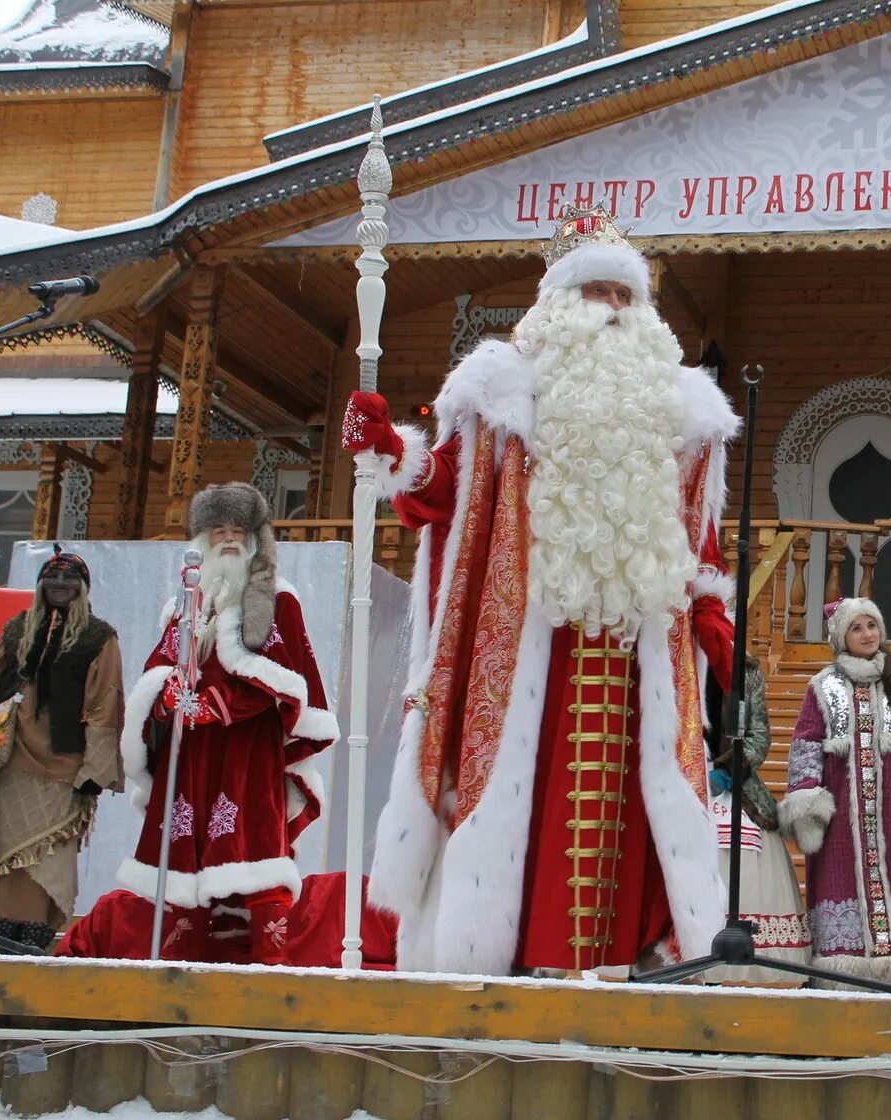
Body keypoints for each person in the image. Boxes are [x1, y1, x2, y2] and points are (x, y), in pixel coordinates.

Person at [346, 204, 737, 975]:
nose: (615, 311)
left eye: (626, 297)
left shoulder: (680, 414)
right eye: (598, 293)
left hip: (639, 649)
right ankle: (523, 958)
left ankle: (628, 958)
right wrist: (392, 449)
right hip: (531, 641)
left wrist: (712, 615)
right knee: (524, 795)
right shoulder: (502, 393)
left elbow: (699, 540)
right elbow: (440, 492)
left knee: (638, 801)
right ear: (560, 302)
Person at [119, 483, 335, 964]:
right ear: (203, 538)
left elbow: (290, 679)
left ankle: (268, 968)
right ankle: (180, 966)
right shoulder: (183, 604)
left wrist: (218, 703)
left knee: (255, 850)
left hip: (248, 750)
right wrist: (165, 696)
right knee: (182, 853)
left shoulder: (280, 599)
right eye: (220, 530)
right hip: (191, 751)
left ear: (256, 538)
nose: (230, 539)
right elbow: (159, 667)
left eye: (240, 530)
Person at [781, 598, 891, 992]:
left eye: (872, 625)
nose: (868, 634)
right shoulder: (823, 686)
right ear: (841, 638)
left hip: (888, 809)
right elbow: (805, 744)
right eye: (857, 628)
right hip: (839, 810)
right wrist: (807, 797)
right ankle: (843, 974)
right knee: (838, 879)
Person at [0, 548, 123, 949]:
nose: (60, 586)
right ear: (40, 584)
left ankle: (33, 934)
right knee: (4, 847)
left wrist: (95, 770)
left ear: (83, 587)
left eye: (70, 579)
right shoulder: (19, 628)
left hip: (64, 764)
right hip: (14, 757)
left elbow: (106, 701)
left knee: (48, 854)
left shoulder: (97, 637)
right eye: (53, 578)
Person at [706, 654, 812, 983]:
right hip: (678, 787)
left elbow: (758, 737)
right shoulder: (672, 660)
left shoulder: (746, 672)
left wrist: (724, 770)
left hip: (736, 789)